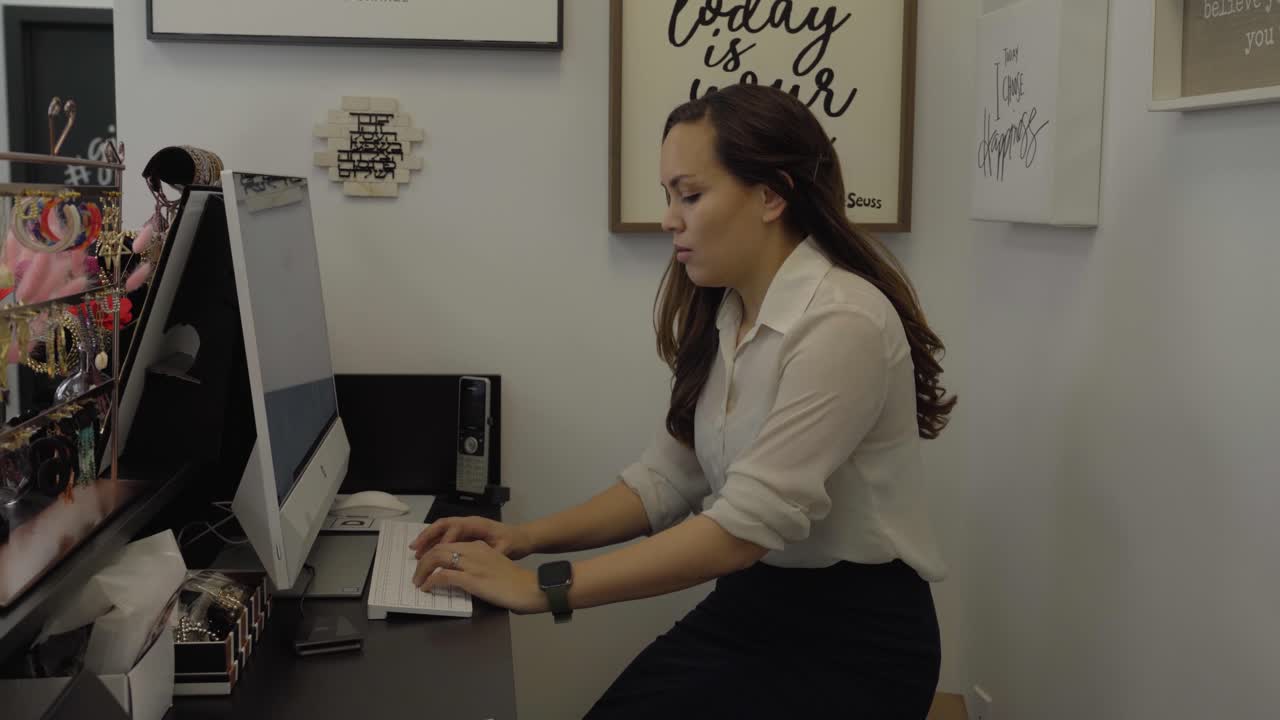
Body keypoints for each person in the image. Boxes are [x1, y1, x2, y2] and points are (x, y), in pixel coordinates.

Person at [410, 83, 956, 718]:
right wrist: (524, 538)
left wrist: (545, 589)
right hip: (755, 604)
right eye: (669, 195)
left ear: (772, 194)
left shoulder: (844, 324)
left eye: (690, 195)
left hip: (857, 639)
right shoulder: (727, 312)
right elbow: (665, 481)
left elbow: (743, 530)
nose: (670, 218)